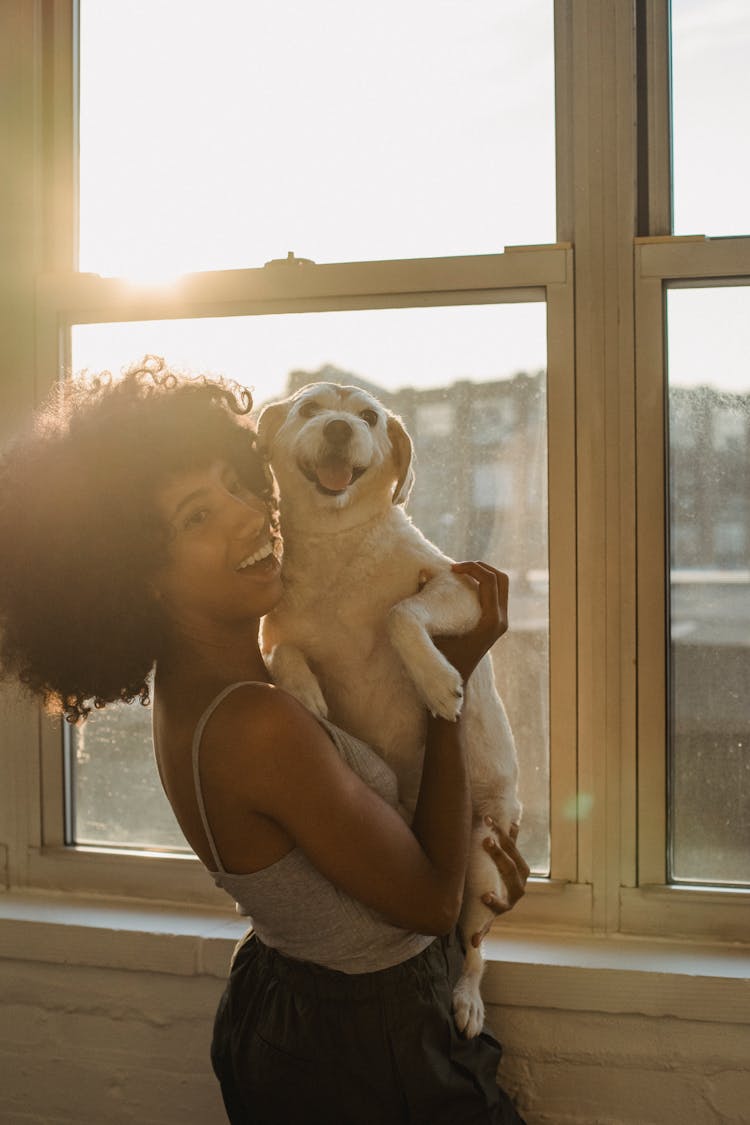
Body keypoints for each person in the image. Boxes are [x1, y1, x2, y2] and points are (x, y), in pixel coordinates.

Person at [0, 357, 529, 1124]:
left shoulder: (208, 688)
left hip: (288, 1007)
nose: (250, 514)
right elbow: (427, 899)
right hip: (365, 1051)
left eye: (234, 481)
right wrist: (452, 675)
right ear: (133, 576)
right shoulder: (255, 724)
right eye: (195, 518)